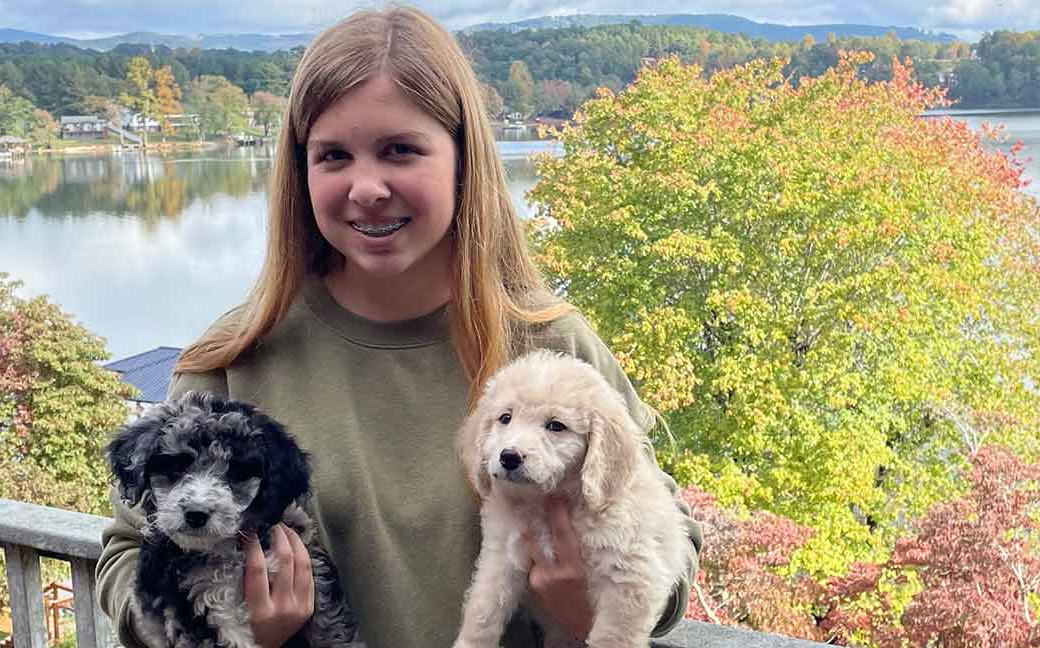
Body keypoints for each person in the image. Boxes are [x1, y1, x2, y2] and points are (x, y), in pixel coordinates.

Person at [95, 5, 702, 648]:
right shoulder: (234, 356)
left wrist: (592, 607)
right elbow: (127, 557)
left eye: (400, 150)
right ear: (300, 173)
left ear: (464, 161)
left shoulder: (551, 348)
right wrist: (234, 634)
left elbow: (673, 538)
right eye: (332, 155)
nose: (366, 188)